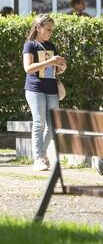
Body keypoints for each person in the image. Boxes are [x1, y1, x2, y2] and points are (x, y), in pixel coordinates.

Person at [22, 14, 67, 171]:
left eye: (52, 30)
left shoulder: (51, 45)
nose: (50, 32)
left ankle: (41, 153)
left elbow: (53, 70)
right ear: (38, 27)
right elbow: (28, 68)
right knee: (39, 122)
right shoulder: (30, 45)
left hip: (51, 88)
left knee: (53, 124)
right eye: (48, 29)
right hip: (35, 88)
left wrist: (61, 67)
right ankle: (38, 158)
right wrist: (50, 61)